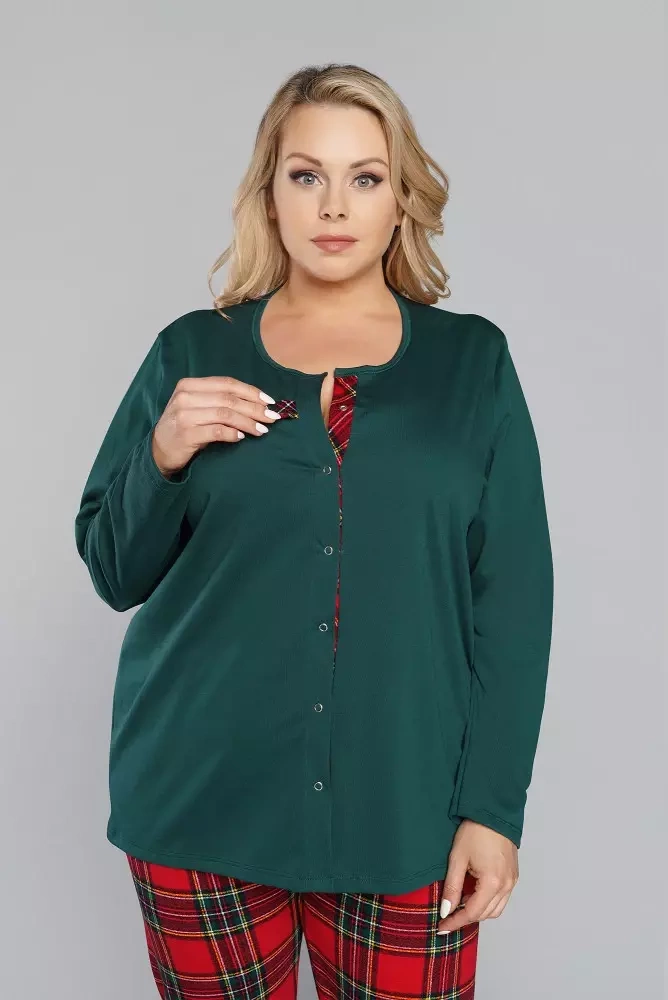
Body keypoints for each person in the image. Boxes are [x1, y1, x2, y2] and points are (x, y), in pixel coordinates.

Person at [74, 62, 554, 999]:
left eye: (365, 177)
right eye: (307, 175)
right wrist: (164, 454)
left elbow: (515, 605)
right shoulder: (191, 350)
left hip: (407, 811)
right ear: (270, 194)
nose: (334, 205)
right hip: (198, 804)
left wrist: (493, 809)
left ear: (401, 199)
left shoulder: (472, 366)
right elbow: (113, 569)